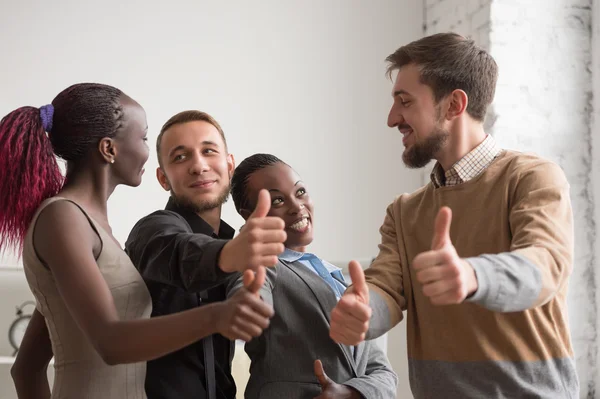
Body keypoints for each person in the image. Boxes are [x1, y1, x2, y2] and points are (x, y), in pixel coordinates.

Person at [329, 33, 579, 398]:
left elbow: (544, 267)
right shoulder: (404, 211)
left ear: (454, 104)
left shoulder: (531, 177)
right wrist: (363, 312)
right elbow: (385, 286)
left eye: (405, 101)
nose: (392, 118)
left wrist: (472, 275)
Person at [2, 84, 274, 399]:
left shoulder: (89, 227)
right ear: (109, 149)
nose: (146, 150)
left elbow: (26, 367)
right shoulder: (62, 218)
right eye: (143, 138)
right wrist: (217, 316)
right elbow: (111, 343)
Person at [125, 111, 287, 399]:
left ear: (229, 165)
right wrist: (228, 254)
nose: (198, 166)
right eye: (180, 157)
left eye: (208, 151)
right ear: (163, 178)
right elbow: (180, 254)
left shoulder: (235, 243)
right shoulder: (152, 231)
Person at [228, 153, 398, 399]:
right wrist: (248, 301)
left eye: (300, 192)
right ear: (250, 215)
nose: (297, 206)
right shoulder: (261, 265)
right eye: (277, 201)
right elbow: (250, 294)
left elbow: (384, 373)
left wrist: (349, 393)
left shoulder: (335, 278)